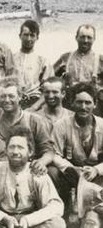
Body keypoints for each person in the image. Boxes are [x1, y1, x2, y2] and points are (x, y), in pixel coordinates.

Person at [0, 127, 65, 228]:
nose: (15, 151)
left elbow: (56, 205)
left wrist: (28, 220)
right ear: (6, 150)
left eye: (20, 147)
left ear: (30, 152)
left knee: (57, 223)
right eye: (12, 147)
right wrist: (3, 218)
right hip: (1, 222)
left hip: (31, 222)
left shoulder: (36, 171)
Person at [0, 77, 55, 176]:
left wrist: (41, 162)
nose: (7, 100)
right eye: (3, 96)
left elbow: (49, 151)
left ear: (20, 97)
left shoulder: (34, 121)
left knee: (52, 172)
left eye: (11, 96)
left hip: (27, 168)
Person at [49, 82, 103, 216]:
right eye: (79, 102)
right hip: (71, 173)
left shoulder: (102, 125)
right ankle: (64, 211)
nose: (83, 107)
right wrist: (68, 168)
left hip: (96, 173)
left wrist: (97, 170)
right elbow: (53, 152)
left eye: (88, 102)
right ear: (72, 103)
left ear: (95, 104)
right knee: (52, 172)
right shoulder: (61, 125)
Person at [13, 20, 54, 109]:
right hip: (14, 102)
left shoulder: (43, 61)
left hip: (35, 103)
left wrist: (34, 107)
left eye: (32, 35)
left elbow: (49, 89)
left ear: (37, 38)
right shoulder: (11, 59)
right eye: (26, 35)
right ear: (20, 36)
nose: (29, 39)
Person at [54, 24, 103, 90]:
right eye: (82, 37)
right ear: (76, 38)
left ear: (94, 39)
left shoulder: (100, 59)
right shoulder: (66, 57)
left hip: (92, 98)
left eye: (89, 37)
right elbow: (51, 77)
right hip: (70, 98)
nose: (85, 41)